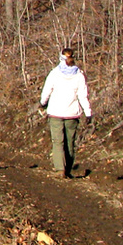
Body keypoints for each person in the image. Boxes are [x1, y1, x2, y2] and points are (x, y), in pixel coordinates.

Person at [39, 47, 92, 178]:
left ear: (60, 58)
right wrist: (88, 112)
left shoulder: (54, 73)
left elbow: (46, 91)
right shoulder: (79, 75)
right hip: (72, 114)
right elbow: (83, 96)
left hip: (56, 112)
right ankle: (67, 170)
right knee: (70, 142)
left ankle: (59, 169)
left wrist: (42, 103)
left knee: (58, 142)